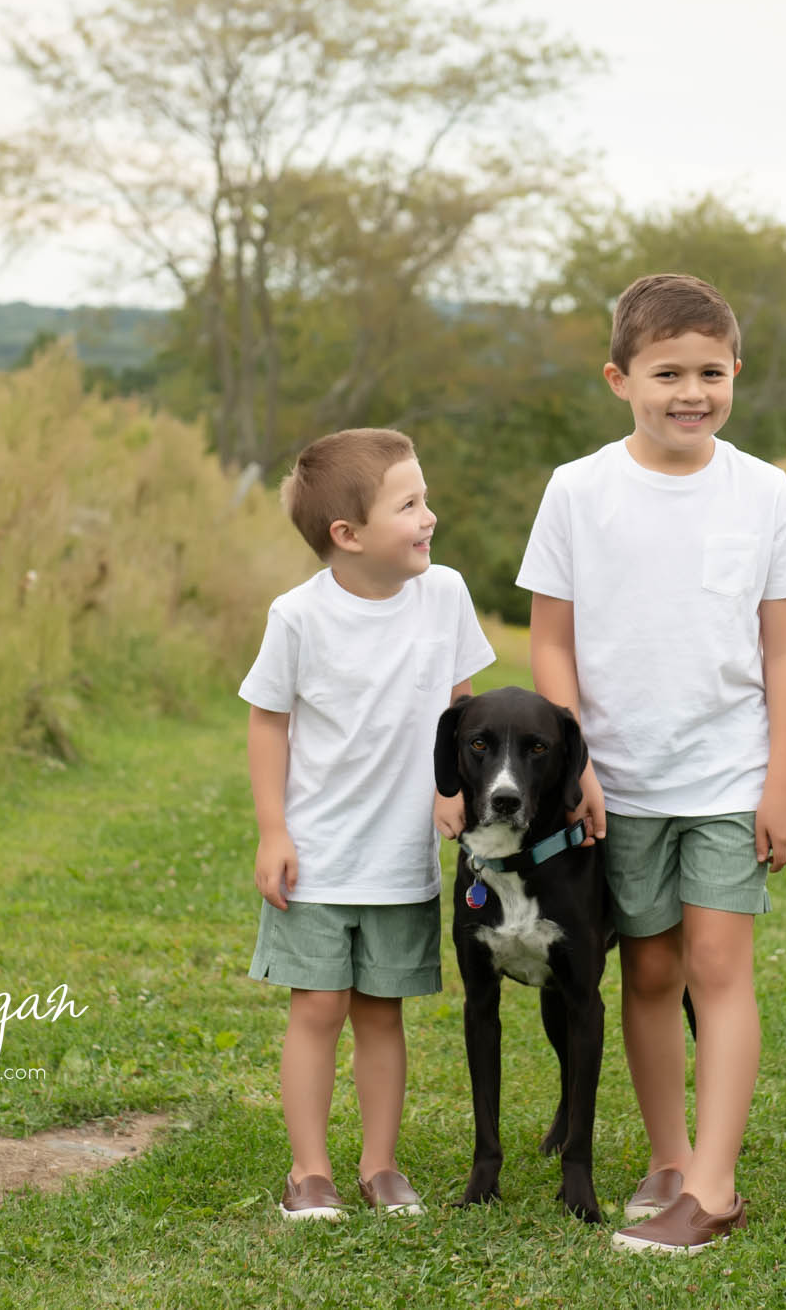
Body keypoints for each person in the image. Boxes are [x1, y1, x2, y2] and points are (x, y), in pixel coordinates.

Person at [516, 272, 786, 1252]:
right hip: (618, 783)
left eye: (709, 372)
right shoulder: (577, 490)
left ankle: (714, 1189)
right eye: (667, 373)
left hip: (729, 775)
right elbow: (551, 641)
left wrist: (781, 781)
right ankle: (668, 1159)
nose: (690, 392)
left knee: (716, 966)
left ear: (734, 371)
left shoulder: (762, 490)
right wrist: (575, 767)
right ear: (619, 379)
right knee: (649, 970)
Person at [240, 427, 495, 1220]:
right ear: (347, 535)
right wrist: (273, 830)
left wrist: (452, 788)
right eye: (409, 505)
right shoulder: (298, 616)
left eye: (425, 499)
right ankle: (309, 1172)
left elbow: (460, 707)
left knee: (382, 1013)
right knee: (318, 1009)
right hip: (318, 856)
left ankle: (379, 1167)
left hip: (399, 858)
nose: (429, 517)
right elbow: (268, 722)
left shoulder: (445, 594)